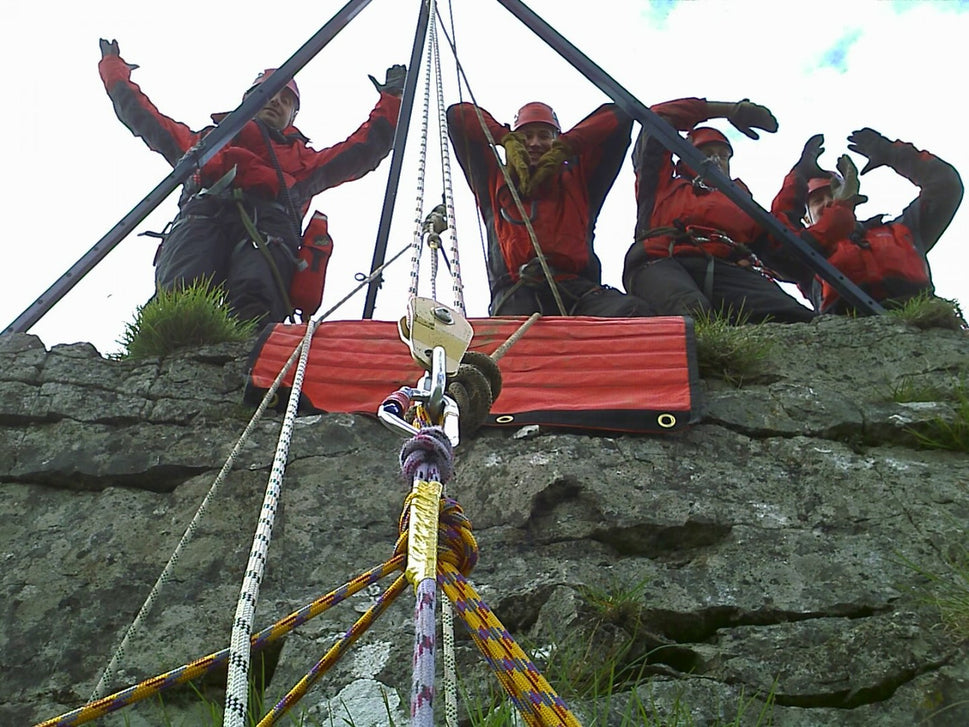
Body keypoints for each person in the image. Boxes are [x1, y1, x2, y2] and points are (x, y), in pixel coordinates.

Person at [98, 39, 406, 325]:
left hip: (267, 232)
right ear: (249, 100)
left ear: (292, 116)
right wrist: (114, 69)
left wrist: (393, 101)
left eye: (285, 100)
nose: (275, 101)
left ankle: (245, 356)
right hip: (202, 222)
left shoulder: (300, 160)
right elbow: (144, 118)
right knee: (180, 294)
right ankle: (174, 353)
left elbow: (362, 151)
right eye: (268, 93)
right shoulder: (207, 142)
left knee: (256, 303)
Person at [623, 97, 846, 324]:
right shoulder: (660, 186)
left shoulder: (741, 204)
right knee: (692, 315)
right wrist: (730, 110)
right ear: (685, 156)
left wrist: (805, 183)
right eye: (706, 152)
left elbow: (786, 248)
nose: (716, 160)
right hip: (661, 260)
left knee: (798, 321)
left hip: (728, 270)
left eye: (723, 155)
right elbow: (659, 117)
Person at [447, 100, 653, 316]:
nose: (535, 143)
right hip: (517, 292)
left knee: (634, 312)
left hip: (576, 289)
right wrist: (503, 137)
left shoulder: (579, 181)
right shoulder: (494, 181)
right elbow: (457, 115)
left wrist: (567, 145)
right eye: (526, 136)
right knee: (520, 335)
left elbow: (620, 115)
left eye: (544, 136)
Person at [772, 128, 963, 314]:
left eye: (834, 193)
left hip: (922, 322)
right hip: (849, 330)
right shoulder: (804, 254)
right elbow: (773, 239)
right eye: (817, 200)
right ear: (806, 218)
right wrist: (798, 176)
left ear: (853, 197)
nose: (829, 201)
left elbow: (945, 186)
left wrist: (891, 153)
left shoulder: (902, 230)